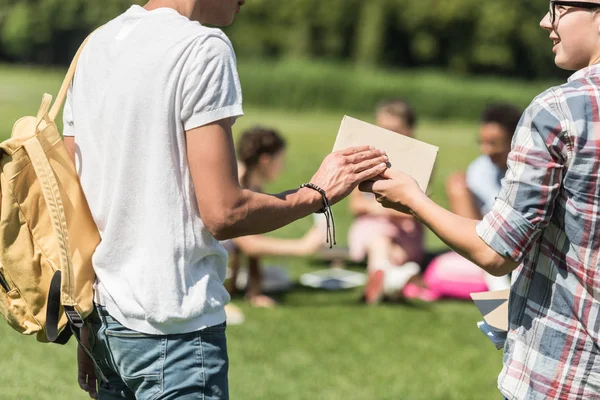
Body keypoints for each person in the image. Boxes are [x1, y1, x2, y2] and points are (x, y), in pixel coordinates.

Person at [63, 0, 388, 398]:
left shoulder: (96, 44)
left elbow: (71, 205)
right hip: (176, 329)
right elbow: (224, 213)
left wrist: (85, 324)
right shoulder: (203, 47)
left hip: (106, 326)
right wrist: (316, 193)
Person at [361, 2, 600, 398]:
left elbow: (496, 253)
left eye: (559, 6)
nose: (545, 20)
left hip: (564, 373)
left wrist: (413, 200)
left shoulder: (559, 111)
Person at [402, 104, 522, 302]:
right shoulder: (480, 170)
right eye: (482, 142)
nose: (486, 150)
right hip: (490, 239)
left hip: (519, 244)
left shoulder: (527, 171)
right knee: (457, 183)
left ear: (513, 140)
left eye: (493, 143)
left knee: (440, 269)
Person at [225, 126, 325, 309]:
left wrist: (255, 292)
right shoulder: (236, 185)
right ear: (265, 160)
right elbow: (250, 245)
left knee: (279, 276)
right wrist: (303, 247)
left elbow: (252, 240)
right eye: (281, 160)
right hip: (206, 268)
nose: (283, 166)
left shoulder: (252, 184)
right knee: (278, 278)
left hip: (226, 264)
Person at [348, 99, 423, 304]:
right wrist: (390, 208)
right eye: (382, 129)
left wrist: (374, 207)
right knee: (381, 241)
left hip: (405, 231)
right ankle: (392, 281)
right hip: (373, 228)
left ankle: (382, 283)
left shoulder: (420, 160)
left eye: (393, 130)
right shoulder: (367, 155)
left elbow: (417, 211)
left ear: (409, 130)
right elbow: (355, 205)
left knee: (392, 252)